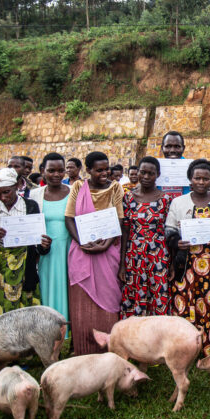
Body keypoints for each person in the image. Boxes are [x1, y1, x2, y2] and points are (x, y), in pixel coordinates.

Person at [166, 159, 210, 355]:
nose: (201, 182)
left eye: (206, 178)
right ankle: (186, 349)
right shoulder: (178, 203)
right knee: (186, 300)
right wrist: (177, 242)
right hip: (186, 263)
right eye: (197, 178)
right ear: (190, 180)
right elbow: (169, 230)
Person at [65, 151, 124, 353]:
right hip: (82, 251)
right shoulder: (78, 187)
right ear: (88, 170)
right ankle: (83, 348)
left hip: (108, 251)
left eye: (106, 169)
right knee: (82, 302)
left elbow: (119, 219)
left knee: (110, 296)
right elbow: (69, 218)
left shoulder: (115, 187)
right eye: (99, 170)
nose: (104, 173)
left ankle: (109, 347)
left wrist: (106, 244)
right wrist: (82, 242)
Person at [0, 168, 51, 316]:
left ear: (16, 187)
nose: (2, 197)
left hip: (26, 262)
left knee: (27, 303)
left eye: (6, 192)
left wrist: (44, 245)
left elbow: (37, 238)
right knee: (3, 302)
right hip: (2, 266)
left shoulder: (30, 206)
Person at [120, 157, 171, 317]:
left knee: (158, 294)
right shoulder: (128, 198)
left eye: (151, 173)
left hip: (159, 255)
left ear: (158, 175)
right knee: (135, 292)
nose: (147, 177)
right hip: (134, 255)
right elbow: (125, 232)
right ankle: (134, 336)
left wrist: (173, 264)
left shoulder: (166, 200)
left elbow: (170, 232)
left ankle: (158, 335)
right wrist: (122, 264)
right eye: (143, 172)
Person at [30, 153, 71, 320]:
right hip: (46, 252)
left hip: (69, 250)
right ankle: (50, 326)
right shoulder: (34, 195)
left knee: (68, 288)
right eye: (51, 170)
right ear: (42, 171)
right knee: (48, 287)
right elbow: (31, 224)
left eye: (61, 171)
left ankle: (69, 329)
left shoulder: (74, 192)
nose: (56, 175)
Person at [159, 131, 190, 199]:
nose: (172, 150)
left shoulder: (192, 168)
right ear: (162, 148)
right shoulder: (155, 168)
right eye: (168, 146)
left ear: (183, 148)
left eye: (177, 146)